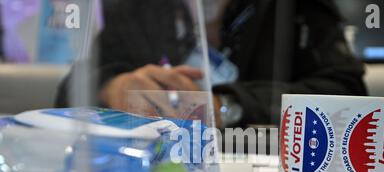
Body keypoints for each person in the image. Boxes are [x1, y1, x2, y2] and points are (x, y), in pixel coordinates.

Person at [56, 0, 367, 128]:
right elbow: (69, 91)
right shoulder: (136, 7)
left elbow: (349, 96)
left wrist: (226, 106)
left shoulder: (297, 9)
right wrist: (112, 87)